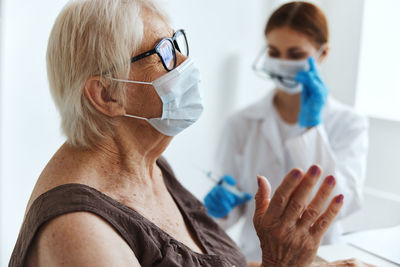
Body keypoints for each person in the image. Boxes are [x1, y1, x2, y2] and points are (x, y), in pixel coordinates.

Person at [9, 0, 370, 266]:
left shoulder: (153, 167)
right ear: (107, 94)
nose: (185, 64)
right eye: (163, 53)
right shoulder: (80, 232)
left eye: (177, 43)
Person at [204, 1, 369, 262]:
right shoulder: (241, 122)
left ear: (323, 54)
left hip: (320, 257)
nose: (282, 63)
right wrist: (217, 210)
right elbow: (228, 213)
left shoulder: (349, 123)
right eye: (274, 51)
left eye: (295, 54)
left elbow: (342, 204)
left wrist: (313, 128)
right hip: (258, 258)